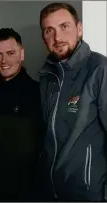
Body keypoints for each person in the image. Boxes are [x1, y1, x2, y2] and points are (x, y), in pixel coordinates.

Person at [38, 2, 107, 201]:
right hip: (52, 192)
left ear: (79, 28)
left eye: (64, 26)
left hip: (88, 193)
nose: (57, 37)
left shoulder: (99, 68)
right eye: (49, 30)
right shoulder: (46, 76)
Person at [0, 28, 44, 201]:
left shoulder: (37, 93)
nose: (4, 60)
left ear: (22, 54)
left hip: (28, 190)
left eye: (10, 53)